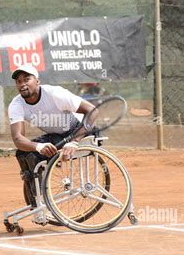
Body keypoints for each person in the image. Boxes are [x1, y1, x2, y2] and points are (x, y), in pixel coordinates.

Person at [8, 63, 138, 225]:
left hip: (80, 130)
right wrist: (38, 147)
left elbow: (93, 111)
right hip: (56, 136)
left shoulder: (55, 94)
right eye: (19, 81)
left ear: (37, 81)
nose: (22, 84)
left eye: (27, 79)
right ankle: (38, 205)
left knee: (63, 141)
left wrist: (75, 142)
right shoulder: (16, 104)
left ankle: (43, 201)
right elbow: (18, 139)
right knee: (24, 153)